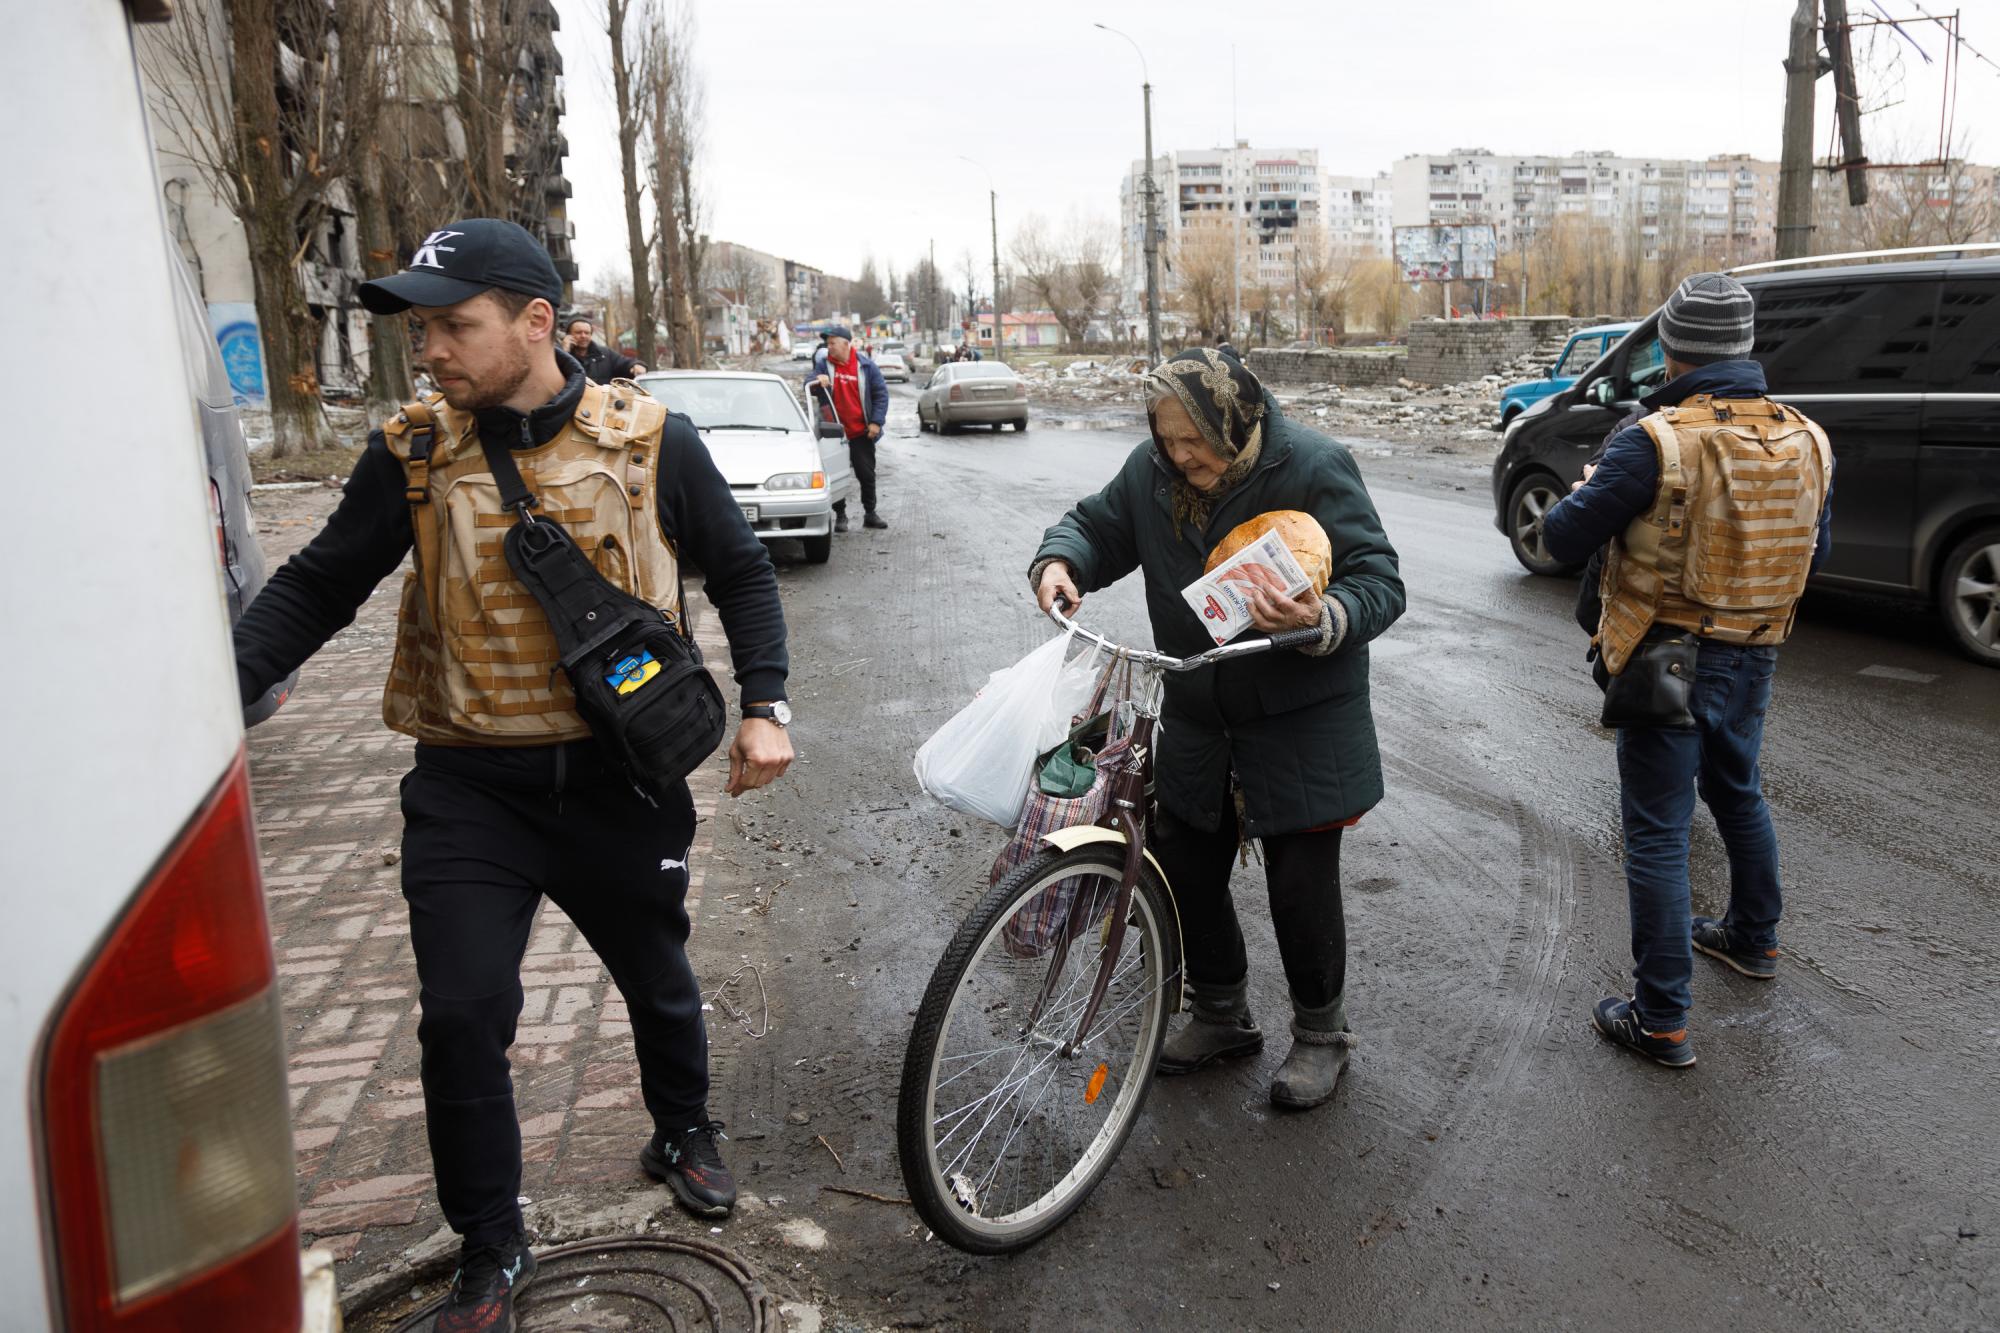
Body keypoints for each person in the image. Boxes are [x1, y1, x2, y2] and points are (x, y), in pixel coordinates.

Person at [232, 218, 795, 1332]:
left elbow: (740, 572)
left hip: (616, 778)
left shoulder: (648, 443)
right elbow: (316, 586)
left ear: (535, 322)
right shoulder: (413, 453)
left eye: (453, 324)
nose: (427, 350)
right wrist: (213, 701)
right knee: (461, 1012)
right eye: (421, 328)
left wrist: (766, 708)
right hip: (468, 785)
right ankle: (488, 1241)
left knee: (656, 975)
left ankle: (682, 1127)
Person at [1030, 348, 1405, 1109]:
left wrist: (1321, 616)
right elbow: (1095, 529)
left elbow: (1381, 580)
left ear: (1234, 420)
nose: (1179, 453)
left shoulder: (1313, 466)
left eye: (1193, 437)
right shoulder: (1152, 474)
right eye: (1166, 437)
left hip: (1301, 720)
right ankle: (1220, 1011)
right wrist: (1061, 562)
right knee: (1184, 865)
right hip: (1202, 712)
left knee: (1299, 884)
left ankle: (1322, 1036)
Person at [1542, 272, 1833, 1070]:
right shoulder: (1807, 437)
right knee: (1739, 790)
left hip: (1665, 656)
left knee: (1659, 834)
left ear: (1669, 348)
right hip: (1756, 650)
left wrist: (1586, 492)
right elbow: (1818, 551)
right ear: (1742, 347)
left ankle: (1661, 1016)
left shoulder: (1655, 439)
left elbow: (1562, 539)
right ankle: (1752, 939)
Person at [805, 324, 889, 531]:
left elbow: (881, 395)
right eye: (828, 343)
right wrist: (817, 380)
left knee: (866, 475)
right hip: (834, 434)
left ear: (845, 344)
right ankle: (840, 516)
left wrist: (876, 422)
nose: (829, 347)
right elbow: (807, 384)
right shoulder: (824, 366)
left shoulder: (866, 366)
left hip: (861, 432)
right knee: (835, 476)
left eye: (832, 343)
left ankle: (870, 513)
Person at [563, 315, 647, 381]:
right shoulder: (558, 354)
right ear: (568, 335)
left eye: (587, 333)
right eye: (578, 332)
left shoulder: (605, 354)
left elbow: (624, 363)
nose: (583, 336)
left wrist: (636, 365)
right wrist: (564, 352)